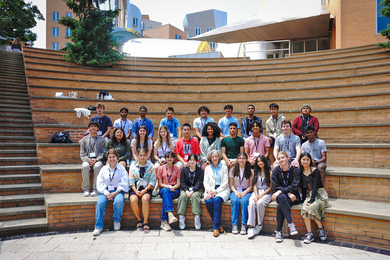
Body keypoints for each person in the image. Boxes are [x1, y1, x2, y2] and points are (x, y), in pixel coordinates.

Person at [93, 149, 129, 236]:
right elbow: (100, 183)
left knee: (119, 202)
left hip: (117, 191)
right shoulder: (103, 169)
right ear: (107, 158)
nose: (112, 159)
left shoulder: (121, 169)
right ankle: (98, 226)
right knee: (100, 203)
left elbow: (124, 182)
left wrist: (115, 193)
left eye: (113, 157)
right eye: (110, 157)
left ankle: (116, 221)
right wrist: (106, 193)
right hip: (105, 190)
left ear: (117, 157)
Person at [271, 151, 301, 243]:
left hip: (294, 197)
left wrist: (281, 191)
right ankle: (291, 224)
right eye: (279, 158)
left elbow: (294, 186)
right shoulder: (276, 171)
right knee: (282, 198)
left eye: (283, 157)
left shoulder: (295, 170)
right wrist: (287, 193)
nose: (281, 160)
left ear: (288, 158)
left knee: (280, 204)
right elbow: (275, 186)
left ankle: (279, 231)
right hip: (285, 196)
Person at [299, 153, 328, 244]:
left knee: (311, 207)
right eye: (303, 159)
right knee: (305, 208)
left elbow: (315, 187)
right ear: (300, 160)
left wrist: (312, 200)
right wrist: (303, 199)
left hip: (320, 195)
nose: (305, 161)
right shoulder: (300, 172)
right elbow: (303, 188)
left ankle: (320, 228)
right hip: (308, 195)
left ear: (311, 161)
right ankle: (309, 233)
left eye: (307, 159)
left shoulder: (315, 171)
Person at [203, 150, 230, 237]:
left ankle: (215, 228)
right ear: (210, 158)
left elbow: (225, 182)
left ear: (219, 157)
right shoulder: (207, 168)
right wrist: (210, 191)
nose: (214, 158)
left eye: (216, 156)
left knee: (217, 200)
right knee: (208, 201)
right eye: (212, 156)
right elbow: (205, 182)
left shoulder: (224, 167)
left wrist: (216, 191)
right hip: (210, 189)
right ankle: (219, 225)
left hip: (222, 189)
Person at [129, 148, 156, 233]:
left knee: (145, 199)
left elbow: (152, 181)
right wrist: (136, 191)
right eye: (140, 155)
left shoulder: (151, 166)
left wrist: (145, 190)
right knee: (133, 200)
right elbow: (131, 181)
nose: (142, 157)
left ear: (147, 155)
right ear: (137, 156)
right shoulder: (133, 165)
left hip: (147, 188)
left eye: (144, 155)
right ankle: (139, 220)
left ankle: (146, 222)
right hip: (135, 188)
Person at [247, 155, 272, 238]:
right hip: (256, 191)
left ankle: (259, 224)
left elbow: (270, 187)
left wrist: (261, 195)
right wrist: (256, 195)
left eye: (261, 161)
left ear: (265, 162)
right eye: (258, 161)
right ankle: (251, 227)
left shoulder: (270, 172)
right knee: (251, 202)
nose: (260, 163)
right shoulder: (255, 171)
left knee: (259, 203)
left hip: (266, 193)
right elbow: (254, 185)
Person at [177, 154, 204, 230]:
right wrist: (186, 190)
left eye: (194, 160)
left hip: (196, 189)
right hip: (185, 189)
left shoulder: (200, 171)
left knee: (195, 197)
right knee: (182, 197)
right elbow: (182, 182)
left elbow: (199, 183)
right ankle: (181, 218)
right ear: (187, 161)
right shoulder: (184, 170)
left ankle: (197, 218)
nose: (192, 162)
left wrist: (192, 191)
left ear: (196, 161)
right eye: (190, 160)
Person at [229, 152, 253, 235]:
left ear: (246, 159)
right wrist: (235, 191)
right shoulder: (232, 169)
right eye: (239, 158)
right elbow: (231, 185)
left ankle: (243, 224)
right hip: (235, 190)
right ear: (237, 159)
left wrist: (244, 192)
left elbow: (251, 186)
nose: (241, 160)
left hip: (245, 190)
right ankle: (234, 224)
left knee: (244, 202)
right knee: (234, 201)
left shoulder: (250, 171)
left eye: (243, 158)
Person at [156, 152, 181, 231]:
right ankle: (169, 214)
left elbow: (178, 183)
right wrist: (168, 186)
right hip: (164, 189)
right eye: (167, 157)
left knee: (166, 197)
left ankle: (164, 221)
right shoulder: (161, 168)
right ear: (165, 158)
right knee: (166, 192)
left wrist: (173, 187)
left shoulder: (177, 168)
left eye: (171, 157)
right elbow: (160, 184)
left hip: (174, 190)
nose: (169, 159)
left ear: (174, 159)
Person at [80, 121, 106, 197]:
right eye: (91, 126)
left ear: (98, 128)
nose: (93, 128)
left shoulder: (102, 140)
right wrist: (89, 160)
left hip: (98, 160)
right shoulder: (84, 140)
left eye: (95, 126)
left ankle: (96, 188)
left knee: (97, 166)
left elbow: (103, 152)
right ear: (89, 128)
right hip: (87, 159)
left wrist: (96, 159)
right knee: (85, 166)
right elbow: (82, 154)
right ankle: (86, 189)